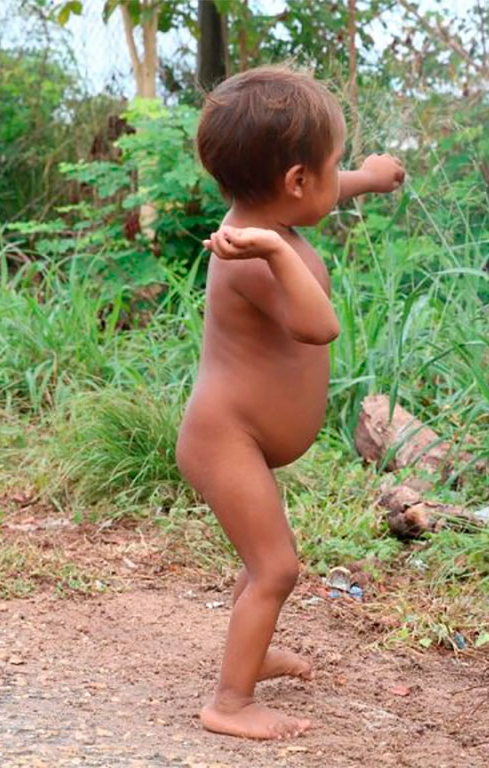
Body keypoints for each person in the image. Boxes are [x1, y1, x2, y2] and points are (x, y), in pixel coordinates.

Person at [175, 65, 405, 741]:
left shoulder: (270, 218)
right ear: (296, 181)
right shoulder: (252, 252)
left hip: (239, 435)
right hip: (225, 437)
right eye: (336, 167)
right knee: (276, 567)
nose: (339, 181)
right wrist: (278, 253)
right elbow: (319, 325)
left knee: (264, 565)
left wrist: (370, 175)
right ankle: (230, 701)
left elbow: (321, 197)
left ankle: (254, 649)